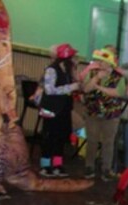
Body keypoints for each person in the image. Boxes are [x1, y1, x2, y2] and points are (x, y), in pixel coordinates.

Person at [79, 47, 126, 180]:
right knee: (92, 140)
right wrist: (96, 79)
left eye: (102, 61)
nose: (99, 63)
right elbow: (86, 89)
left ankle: (106, 169)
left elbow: (117, 93)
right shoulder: (92, 73)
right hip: (92, 112)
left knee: (108, 142)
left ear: (110, 63)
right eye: (98, 60)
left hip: (111, 115)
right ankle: (89, 167)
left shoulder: (119, 77)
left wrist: (98, 87)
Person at [38, 44, 80, 178]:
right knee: (49, 136)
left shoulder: (67, 71)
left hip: (64, 109)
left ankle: (57, 164)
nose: (75, 60)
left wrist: (74, 74)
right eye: (73, 57)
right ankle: (45, 165)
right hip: (51, 108)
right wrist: (70, 87)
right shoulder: (51, 70)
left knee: (61, 137)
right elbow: (49, 90)